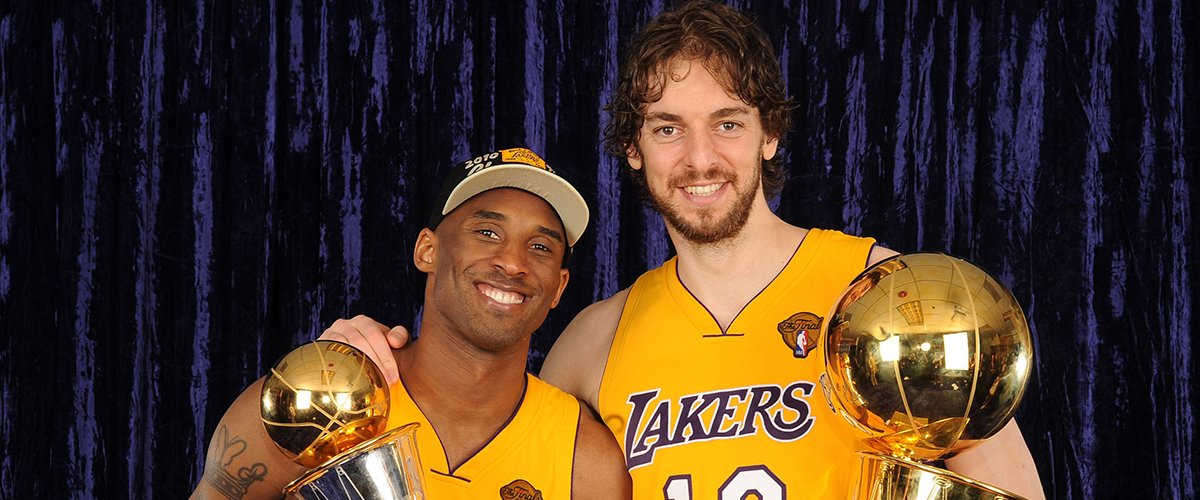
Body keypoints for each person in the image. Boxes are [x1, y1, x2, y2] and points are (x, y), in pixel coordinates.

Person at [331, 2, 1046, 498]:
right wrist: (363, 361)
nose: (700, 159)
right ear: (633, 150)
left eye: (727, 123)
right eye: (668, 128)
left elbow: (1008, 487)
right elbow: (478, 431)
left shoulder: (876, 288)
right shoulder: (596, 340)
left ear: (769, 135)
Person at [191, 148, 631, 499]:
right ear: (428, 250)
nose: (513, 262)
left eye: (540, 247)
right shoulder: (310, 404)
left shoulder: (586, 463)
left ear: (558, 287)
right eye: (487, 233)